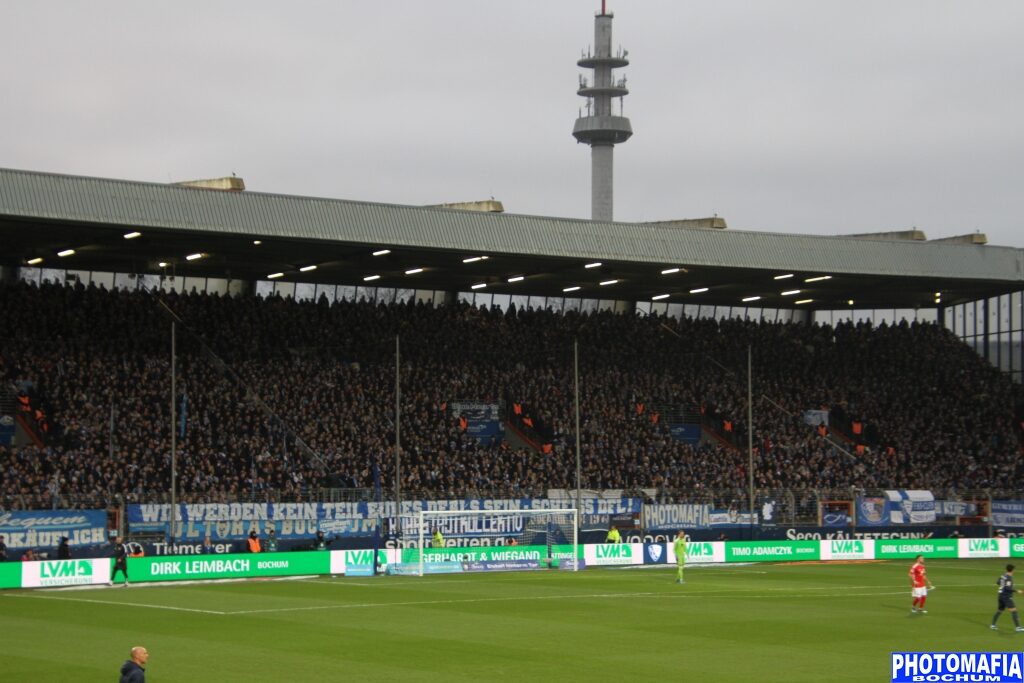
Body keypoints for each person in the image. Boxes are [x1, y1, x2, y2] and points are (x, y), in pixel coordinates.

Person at [991, 564, 1024, 631]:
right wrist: (1017, 591)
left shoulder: (1003, 576)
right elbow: (1008, 588)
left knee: (999, 611)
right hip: (1006, 597)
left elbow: (997, 582)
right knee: (1014, 611)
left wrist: (1002, 585)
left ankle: (993, 625)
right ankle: (1018, 627)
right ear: (1013, 570)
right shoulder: (1009, 577)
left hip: (1000, 596)